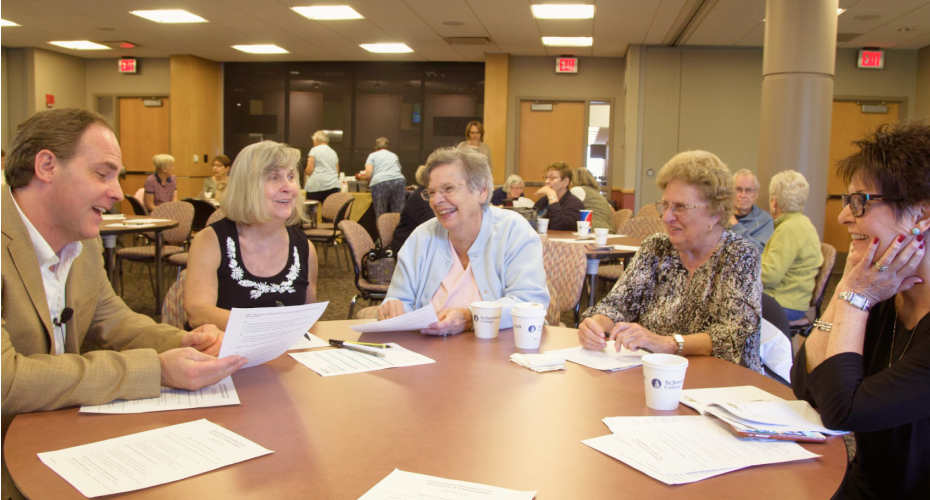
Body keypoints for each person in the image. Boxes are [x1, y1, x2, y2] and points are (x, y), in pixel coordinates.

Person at [1, 108, 246, 500]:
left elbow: (112, 318)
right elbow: (7, 381)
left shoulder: (83, 240)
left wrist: (183, 343)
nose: (117, 192)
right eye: (102, 173)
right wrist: (155, 370)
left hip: (55, 440)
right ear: (46, 165)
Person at [793, 119, 929, 500]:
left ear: (921, 216)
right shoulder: (886, 293)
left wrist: (857, 297)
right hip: (859, 486)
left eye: (860, 202)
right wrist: (849, 288)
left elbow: (843, 412)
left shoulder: (874, 295)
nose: (843, 216)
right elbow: (807, 387)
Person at [577, 150, 763, 373]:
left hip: (722, 384)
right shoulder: (656, 248)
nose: (666, 217)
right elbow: (617, 304)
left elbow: (732, 336)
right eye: (665, 205)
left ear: (716, 213)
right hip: (657, 379)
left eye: (680, 207)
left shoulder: (739, 255)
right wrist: (596, 325)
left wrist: (665, 343)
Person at [377, 147, 549, 335]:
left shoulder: (514, 232)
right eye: (432, 192)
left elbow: (529, 302)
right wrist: (393, 307)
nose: (436, 200)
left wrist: (470, 317)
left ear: (481, 191)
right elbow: (399, 300)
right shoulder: (421, 238)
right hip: (430, 356)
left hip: (500, 354)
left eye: (449, 189)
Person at [185, 141, 318, 331]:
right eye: (274, 177)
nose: (288, 187)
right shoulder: (210, 241)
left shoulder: (305, 248)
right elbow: (198, 313)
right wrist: (267, 327)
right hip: (219, 355)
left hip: (283, 356)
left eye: (290, 176)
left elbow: (307, 320)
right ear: (247, 186)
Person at [760, 170, 823, 321]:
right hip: (793, 302)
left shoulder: (788, 229)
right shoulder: (803, 223)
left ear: (774, 202)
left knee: (728, 304)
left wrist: (742, 270)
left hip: (784, 303)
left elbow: (769, 276)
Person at [390, 165, 435, 254]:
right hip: (406, 247)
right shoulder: (420, 198)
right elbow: (434, 224)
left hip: (422, 243)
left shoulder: (428, 194)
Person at [729, 169, 774, 251]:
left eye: (748, 190)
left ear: (756, 193)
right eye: (738, 190)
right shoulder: (721, 215)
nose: (743, 195)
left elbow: (759, 252)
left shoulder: (765, 220)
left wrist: (735, 225)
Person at [533, 162, 584, 231]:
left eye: (552, 178)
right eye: (546, 177)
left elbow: (559, 226)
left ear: (565, 182)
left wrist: (551, 194)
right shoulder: (543, 200)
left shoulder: (575, 204)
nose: (547, 181)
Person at [365, 137, 406, 221]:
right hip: (398, 181)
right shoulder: (394, 155)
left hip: (380, 182)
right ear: (387, 146)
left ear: (375, 147)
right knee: (398, 212)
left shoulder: (372, 155)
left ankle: (382, 233)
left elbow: (368, 174)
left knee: (381, 212)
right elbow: (399, 170)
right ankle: (399, 232)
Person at [570, 167, 615, 233]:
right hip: (608, 230)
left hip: (592, 230)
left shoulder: (577, 189)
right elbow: (612, 211)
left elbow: (568, 210)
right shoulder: (595, 193)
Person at [304, 130, 340, 203]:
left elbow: (309, 170)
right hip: (333, 187)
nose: (313, 143)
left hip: (316, 187)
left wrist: (306, 171)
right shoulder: (333, 152)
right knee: (329, 212)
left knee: (312, 212)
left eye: (313, 141)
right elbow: (337, 172)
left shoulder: (314, 150)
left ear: (317, 140)